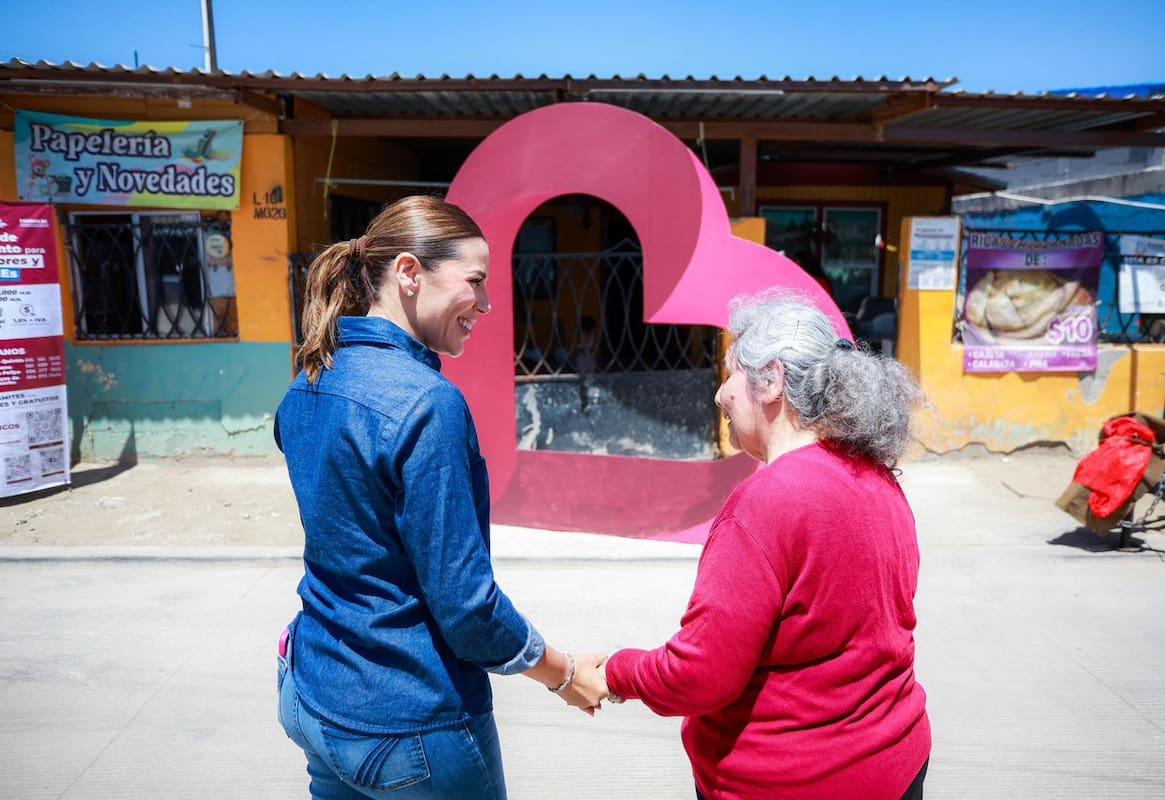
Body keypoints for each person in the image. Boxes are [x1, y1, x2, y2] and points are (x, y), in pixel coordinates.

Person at [274, 195, 607, 800]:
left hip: (314, 693)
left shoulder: (309, 382)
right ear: (408, 273)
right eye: (474, 282)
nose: (485, 303)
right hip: (409, 722)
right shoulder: (427, 403)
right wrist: (563, 675)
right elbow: (467, 607)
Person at [601, 288, 931, 799]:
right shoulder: (877, 479)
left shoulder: (768, 500)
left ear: (772, 379)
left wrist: (619, 671)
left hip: (789, 781)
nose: (721, 394)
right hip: (896, 762)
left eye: (730, 374)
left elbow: (702, 674)